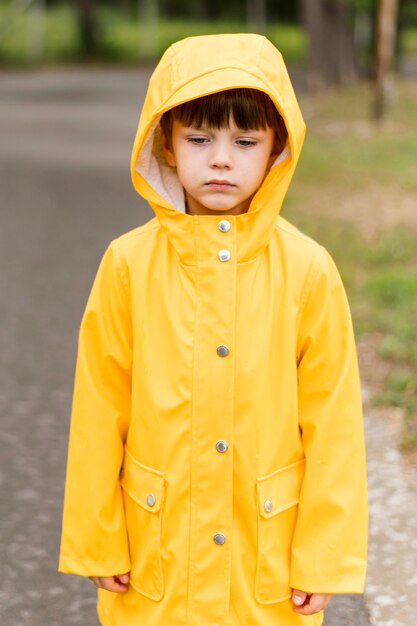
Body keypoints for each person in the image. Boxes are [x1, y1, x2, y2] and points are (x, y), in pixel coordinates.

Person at [59, 33, 368, 626]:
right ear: (168, 145)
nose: (221, 158)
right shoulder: (127, 264)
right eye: (200, 139)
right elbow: (100, 406)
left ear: (277, 148)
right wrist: (98, 537)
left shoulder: (308, 270)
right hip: (158, 554)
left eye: (244, 141)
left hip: (266, 562)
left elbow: (333, 422)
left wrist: (323, 556)